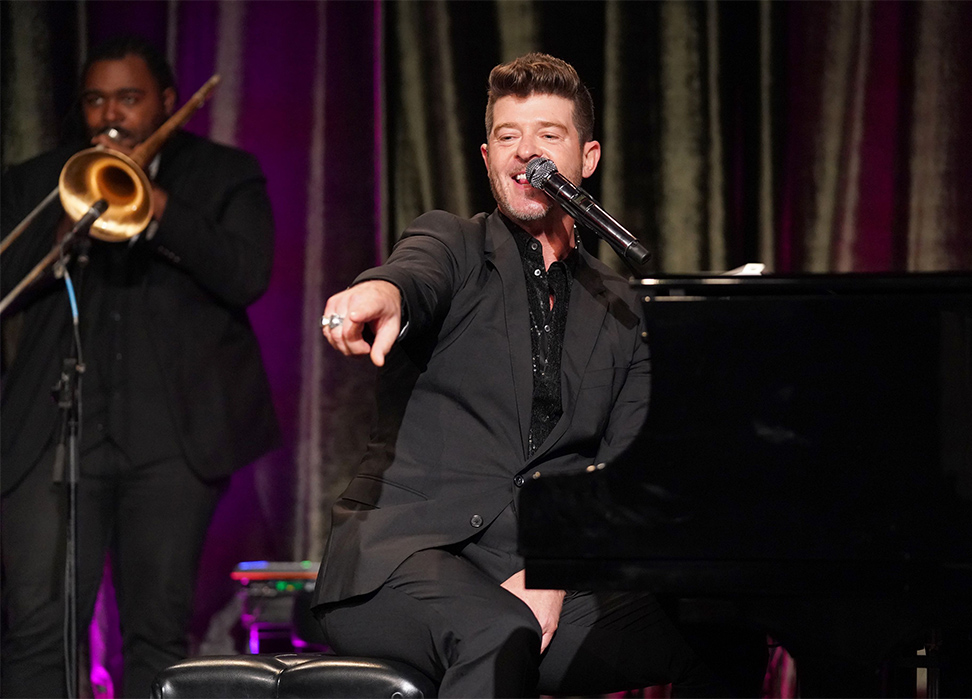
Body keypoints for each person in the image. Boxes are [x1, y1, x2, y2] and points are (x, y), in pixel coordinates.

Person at [312, 53, 722, 697]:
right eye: (508, 136)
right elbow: (413, 273)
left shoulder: (623, 306)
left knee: (719, 629)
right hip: (404, 560)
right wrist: (379, 293)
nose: (524, 152)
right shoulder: (454, 243)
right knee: (497, 632)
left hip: (534, 573)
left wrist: (550, 573)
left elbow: (624, 464)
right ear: (486, 157)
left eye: (547, 136)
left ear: (586, 160)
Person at [0, 35, 280, 697]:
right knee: (38, 627)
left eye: (129, 97)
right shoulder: (39, 181)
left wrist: (159, 211)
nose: (110, 114)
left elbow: (247, 273)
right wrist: (60, 230)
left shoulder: (224, 174)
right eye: (96, 100)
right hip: (53, 436)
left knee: (156, 630)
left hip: (174, 442)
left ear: (166, 102)